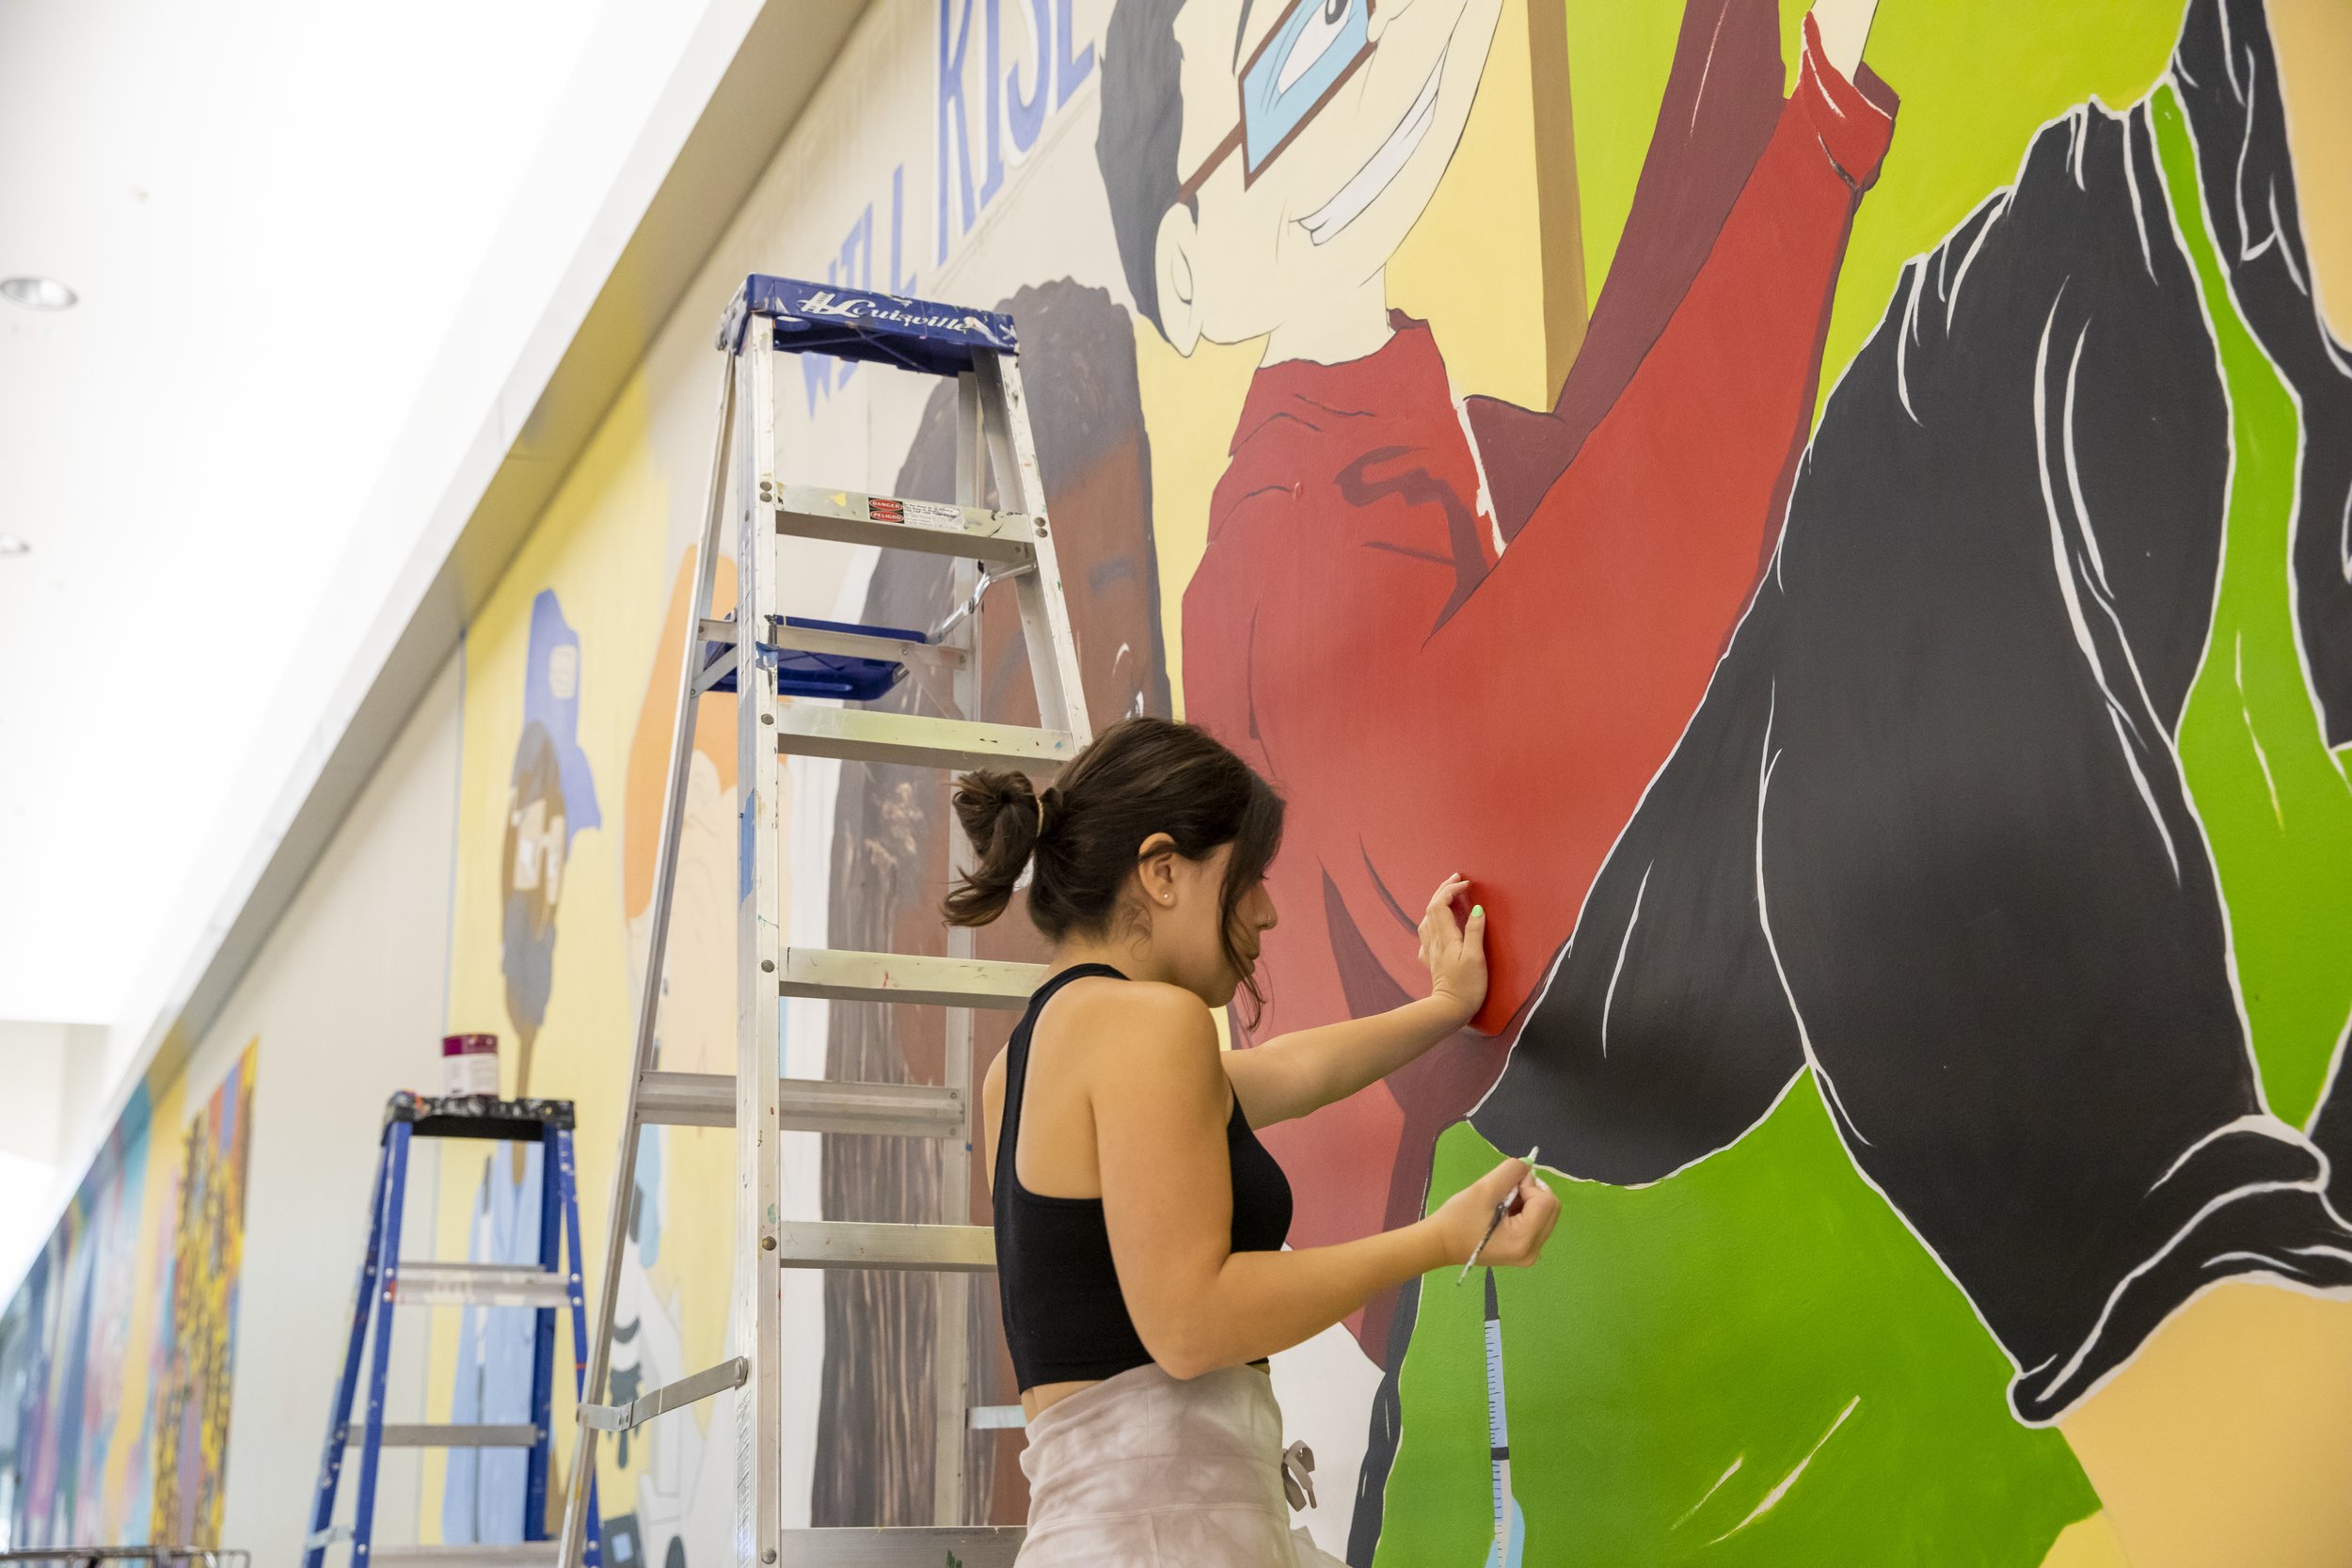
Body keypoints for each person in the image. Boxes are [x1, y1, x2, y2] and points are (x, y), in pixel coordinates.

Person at [948, 716, 1560, 1566]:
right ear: (1162, 871)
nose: (1268, 912)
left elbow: (1290, 1071)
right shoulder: (1146, 1023)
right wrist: (1441, 1240)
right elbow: (1192, 1324)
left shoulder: (1021, 1063)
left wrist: (1444, 1006)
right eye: (1247, 877)